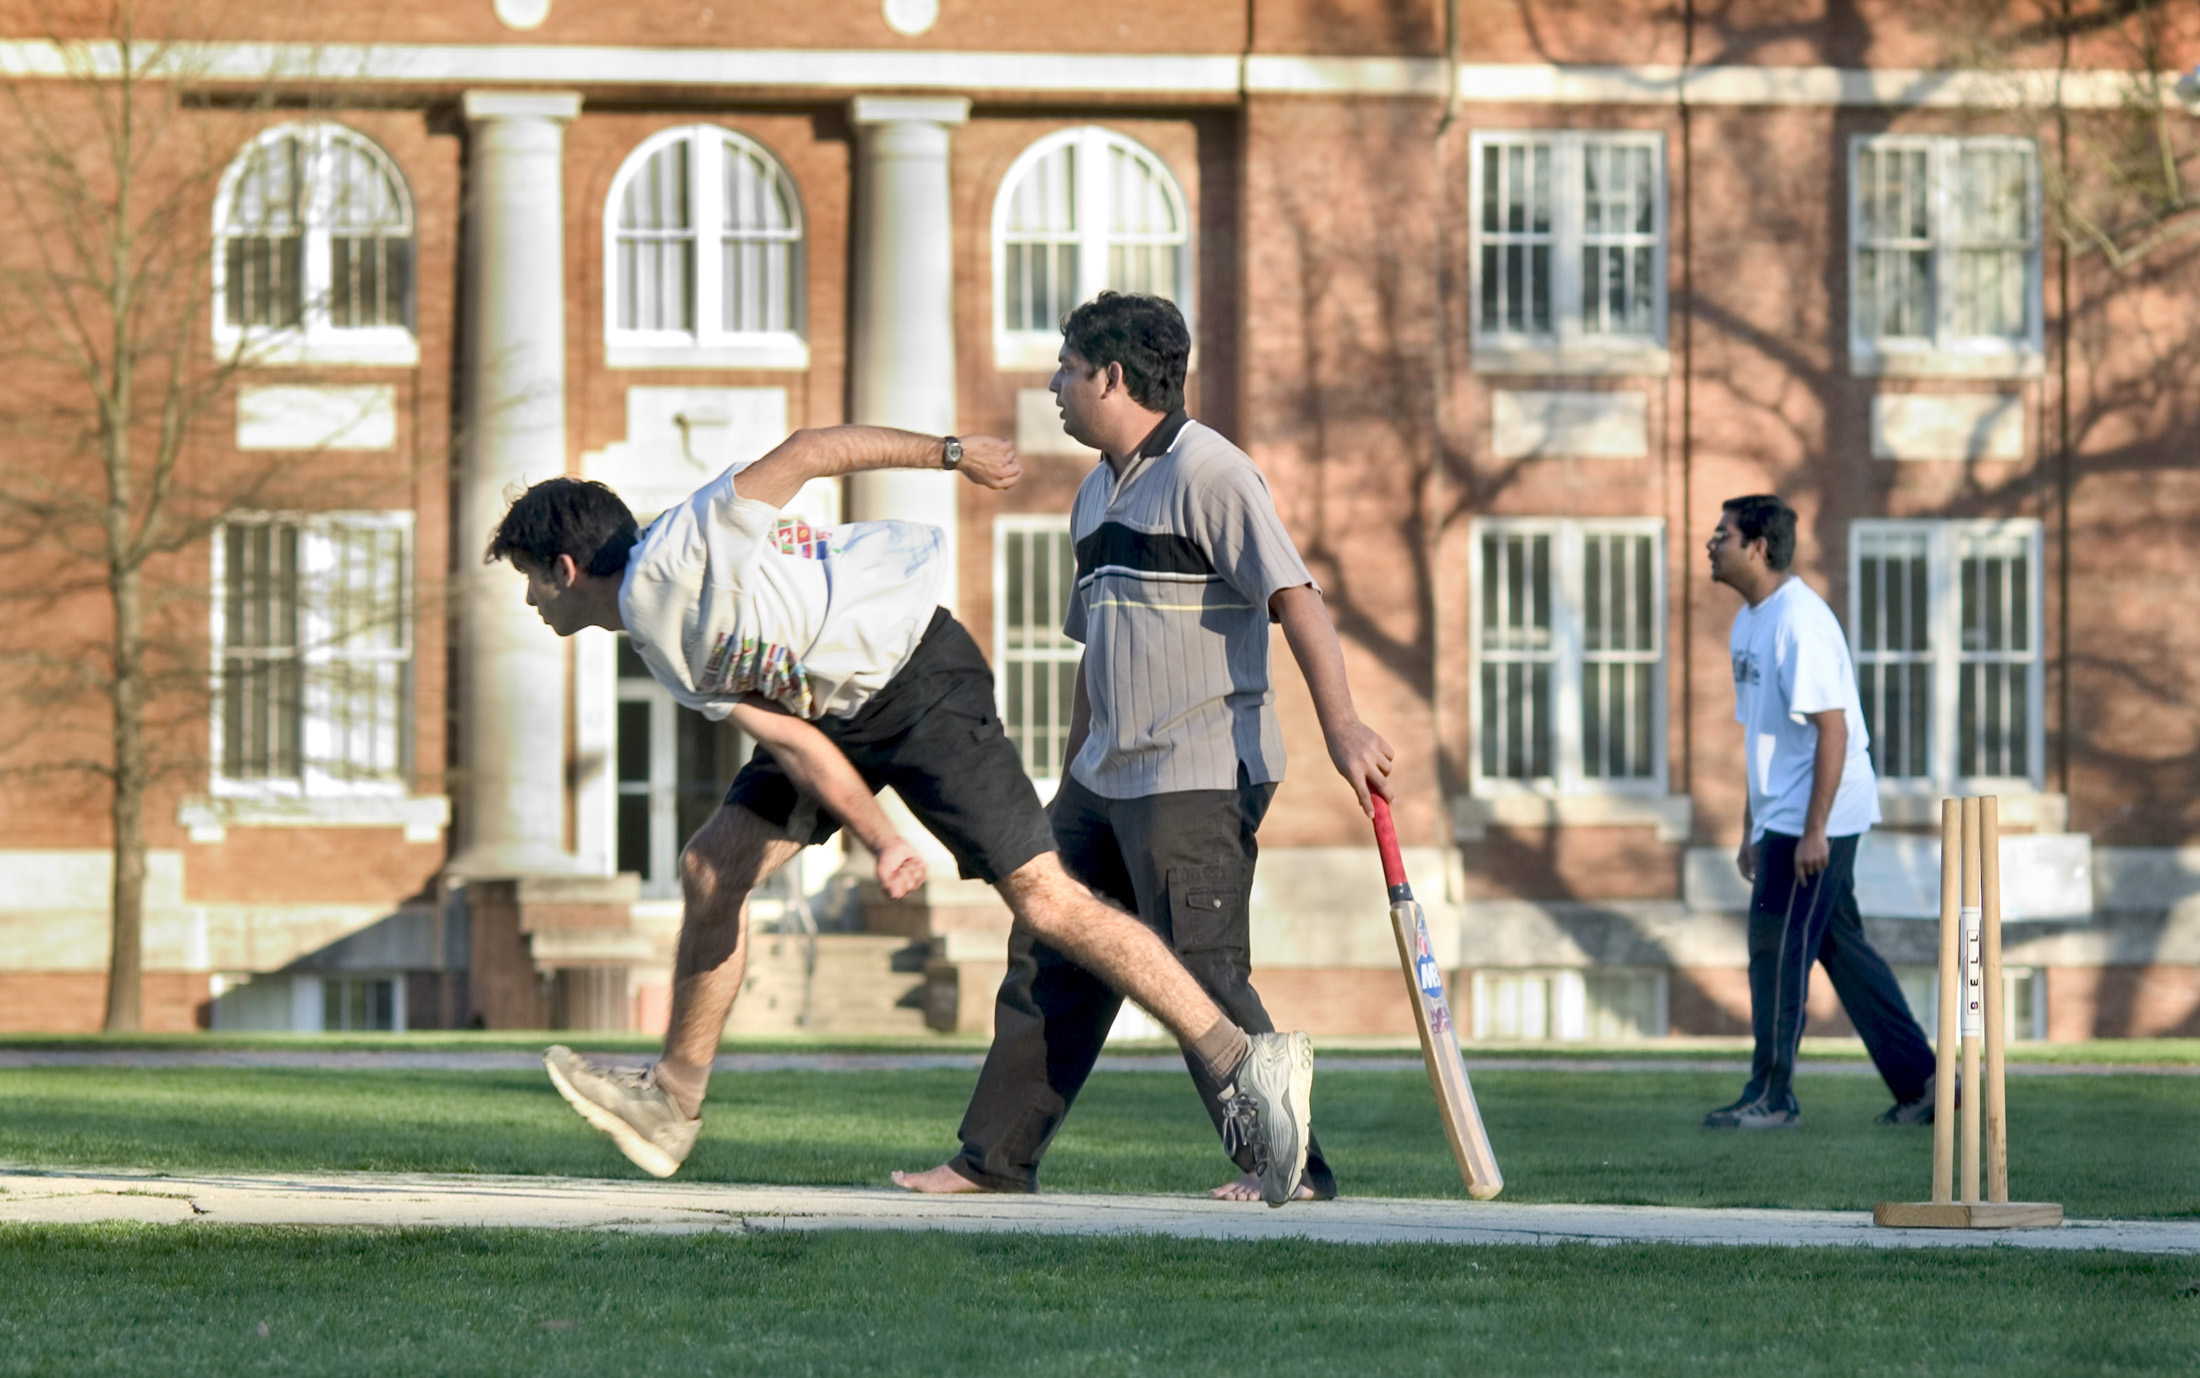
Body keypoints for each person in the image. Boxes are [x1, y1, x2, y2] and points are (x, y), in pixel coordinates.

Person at [488, 423, 1316, 1206]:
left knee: (1045, 899)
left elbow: (813, 450)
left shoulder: (689, 539)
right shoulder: (655, 634)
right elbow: (802, 749)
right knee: (713, 865)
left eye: (527, 578)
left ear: (564, 567)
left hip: (919, 677)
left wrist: (952, 454)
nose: (528, 601)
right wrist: (882, 839)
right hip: (832, 711)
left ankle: (1240, 1060)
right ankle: (673, 1099)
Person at [894, 292, 1393, 1202]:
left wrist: (1344, 728)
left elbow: (1296, 599)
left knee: (1200, 969)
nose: (1053, 384)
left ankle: (1292, 1168)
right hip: (1103, 781)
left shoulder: (1214, 473)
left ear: (1112, 379)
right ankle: (992, 1163)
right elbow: (1097, 650)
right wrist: (1070, 780)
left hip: (1199, 774)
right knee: (1049, 954)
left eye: (1068, 369)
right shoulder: (1095, 494)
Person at [1703, 494, 1937, 1130]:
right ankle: (1925, 1083)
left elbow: (1833, 732)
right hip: (1784, 816)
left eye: (1722, 534)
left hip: (1820, 815)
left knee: (1777, 948)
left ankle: (1772, 1098)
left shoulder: (1798, 622)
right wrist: (1754, 826)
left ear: (1758, 546)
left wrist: (1812, 833)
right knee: (1841, 946)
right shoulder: (1750, 621)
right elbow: (1763, 733)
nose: (1711, 543)